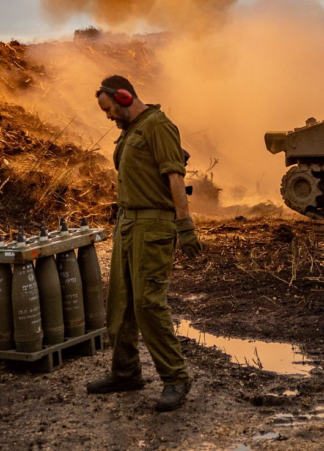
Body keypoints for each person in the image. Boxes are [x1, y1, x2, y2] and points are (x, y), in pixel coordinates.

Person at [86, 75, 202, 412]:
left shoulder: (158, 126)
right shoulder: (131, 131)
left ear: (124, 98)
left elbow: (175, 178)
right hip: (127, 223)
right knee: (119, 304)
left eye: (109, 109)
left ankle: (176, 378)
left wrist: (185, 226)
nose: (108, 116)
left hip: (153, 225)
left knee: (148, 303)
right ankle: (125, 373)